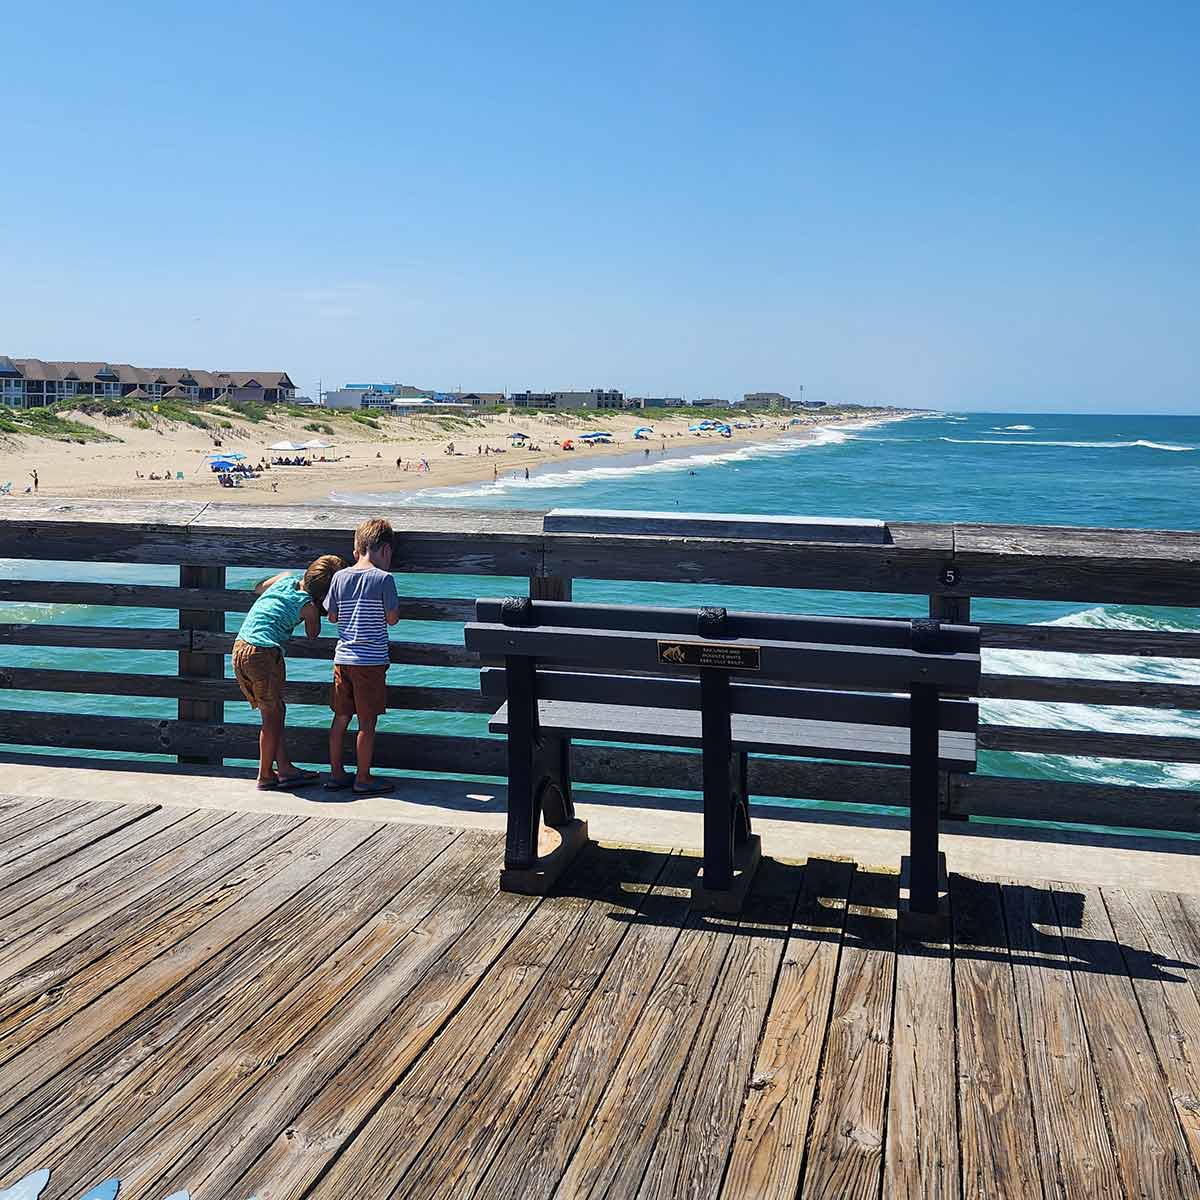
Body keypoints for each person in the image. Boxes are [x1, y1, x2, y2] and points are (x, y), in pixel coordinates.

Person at [233, 554, 346, 791]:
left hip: (241, 646)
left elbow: (258, 588)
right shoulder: (308, 606)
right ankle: (265, 774)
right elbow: (312, 633)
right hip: (263, 652)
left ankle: (284, 768)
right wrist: (322, 610)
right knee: (271, 716)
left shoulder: (286, 578)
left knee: (276, 710)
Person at [324, 518, 400, 796]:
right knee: (366, 723)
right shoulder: (384, 579)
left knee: (341, 717)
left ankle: (335, 774)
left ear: (357, 548)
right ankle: (363, 778)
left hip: (342, 659)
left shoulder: (339, 577)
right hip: (370, 662)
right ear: (386, 550)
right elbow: (392, 619)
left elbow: (332, 616)